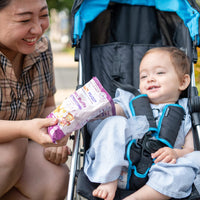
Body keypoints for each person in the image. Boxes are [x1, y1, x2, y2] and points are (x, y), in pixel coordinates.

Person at [84, 47, 200, 200]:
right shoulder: (132, 101)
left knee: (195, 159)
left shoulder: (187, 110)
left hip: (162, 174)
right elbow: (112, 110)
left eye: (159, 73)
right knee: (113, 122)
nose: (150, 79)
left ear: (183, 81)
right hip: (122, 169)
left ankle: (139, 197)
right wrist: (92, 107)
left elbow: (190, 148)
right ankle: (108, 179)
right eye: (144, 76)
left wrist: (176, 153)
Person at [0, 0, 70, 199]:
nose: (38, 29)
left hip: (18, 155)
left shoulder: (41, 49)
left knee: (54, 176)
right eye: (24, 19)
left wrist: (55, 135)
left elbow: (47, 105)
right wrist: (23, 129)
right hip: (8, 155)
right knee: (13, 149)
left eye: (43, 15)